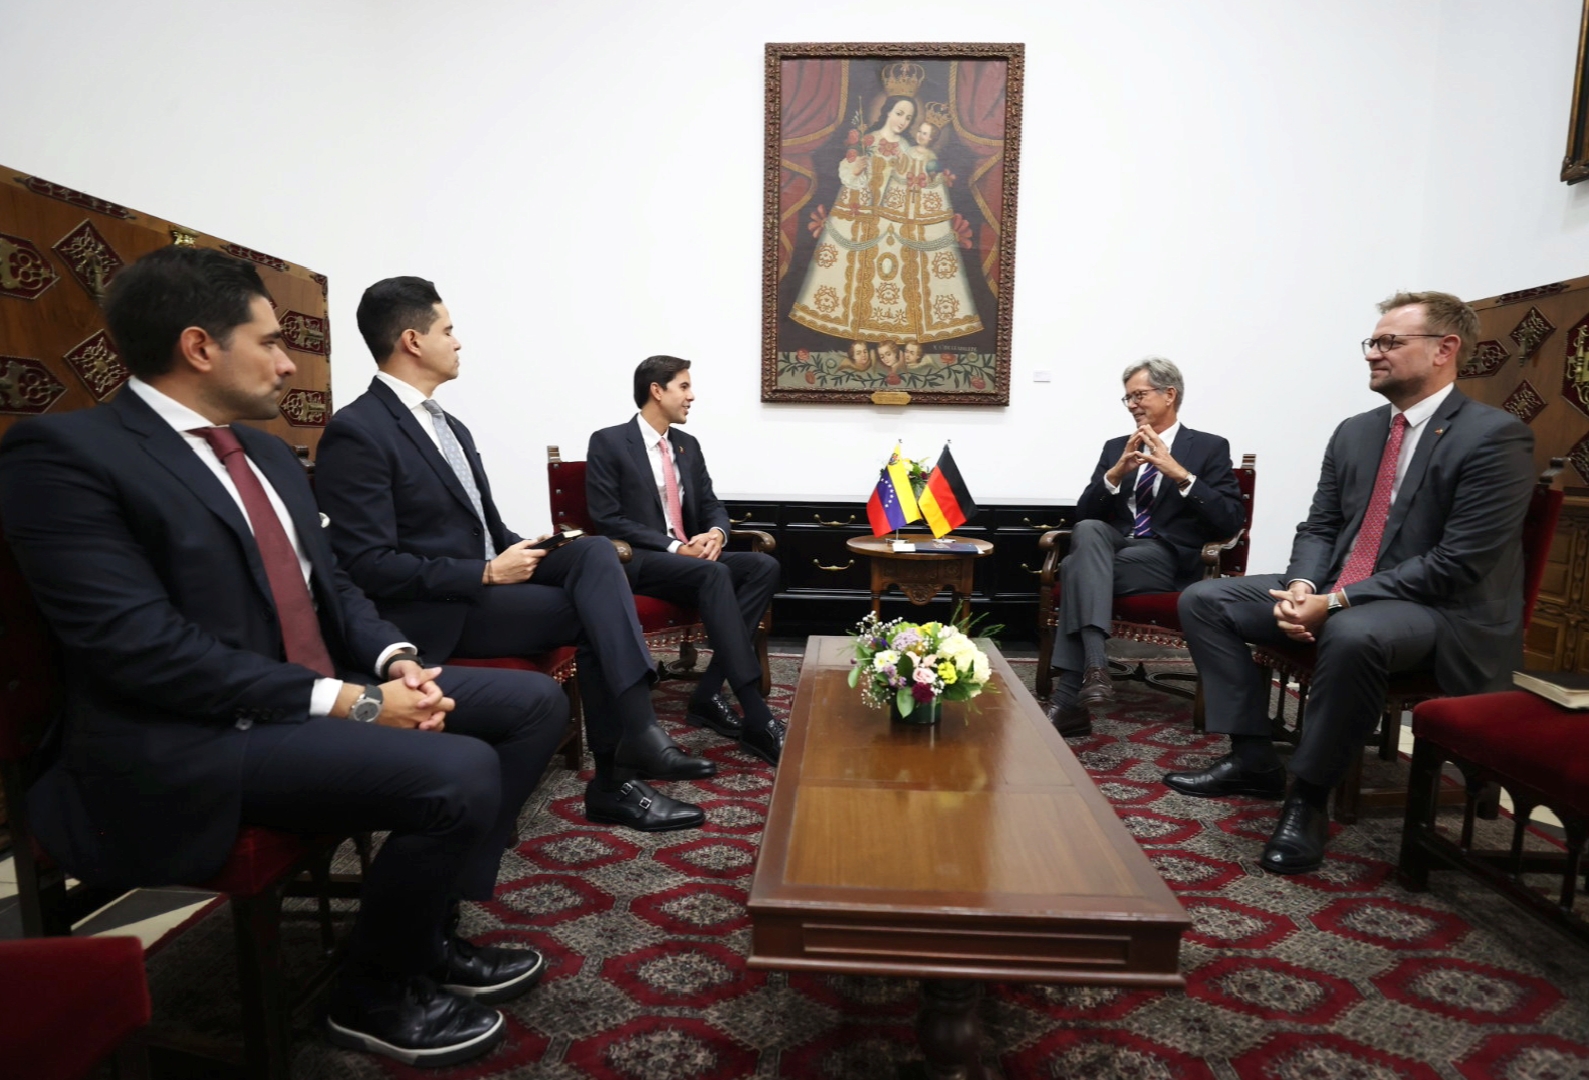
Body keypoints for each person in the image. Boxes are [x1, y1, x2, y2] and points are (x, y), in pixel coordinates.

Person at [0, 247, 560, 1068]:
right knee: (459, 770)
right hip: (188, 733)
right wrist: (354, 703)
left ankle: (424, 930)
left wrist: (394, 660)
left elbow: (334, 582)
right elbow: (140, 648)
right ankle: (373, 993)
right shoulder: (65, 456)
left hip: (303, 695)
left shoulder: (263, 454)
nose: (289, 362)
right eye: (269, 341)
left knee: (534, 706)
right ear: (200, 347)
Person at [314, 277, 711, 836]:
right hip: (436, 611)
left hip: (483, 589)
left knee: (593, 550)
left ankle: (632, 753)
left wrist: (534, 547)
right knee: (597, 614)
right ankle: (620, 772)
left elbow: (487, 529)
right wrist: (483, 572)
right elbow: (366, 565)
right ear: (412, 340)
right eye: (448, 330)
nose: (458, 341)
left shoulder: (449, 425)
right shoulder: (358, 430)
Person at [1166, 292, 1535, 875]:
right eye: (1372, 342)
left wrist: (1335, 602)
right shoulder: (1355, 432)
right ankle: (1253, 757)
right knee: (1206, 599)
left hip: (1441, 609)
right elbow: (1321, 525)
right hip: (1344, 586)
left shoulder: (1495, 436)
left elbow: (1459, 561)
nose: (1372, 354)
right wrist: (1303, 586)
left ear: (1444, 349)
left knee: (1352, 632)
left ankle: (1309, 798)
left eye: (1389, 342)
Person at [586, 356, 785, 764]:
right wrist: (674, 547)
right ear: (656, 391)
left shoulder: (687, 445)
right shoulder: (608, 442)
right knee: (713, 574)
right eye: (684, 386)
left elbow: (711, 504)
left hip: (691, 561)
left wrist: (716, 534)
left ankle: (708, 692)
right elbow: (608, 519)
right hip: (637, 560)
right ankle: (757, 715)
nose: (691, 396)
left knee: (763, 566)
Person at [1047, 358, 1245, 736]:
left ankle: (1071, 694)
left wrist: (1181, 475)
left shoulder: (1208, 447)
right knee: (1089, 529)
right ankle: (1095, 667)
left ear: (1169, 394)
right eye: (1128, 398)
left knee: (1073, 569)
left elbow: (1229, 520)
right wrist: (1114, 475)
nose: (1133, 405)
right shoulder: (1116, 448)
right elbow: (1084, 515)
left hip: (1166, 555)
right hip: (1117, 547)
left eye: (1139, 395)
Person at [788, 95, 981, 352]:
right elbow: (849, 174)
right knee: (852, 279)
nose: (903, 121)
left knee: (893, 282)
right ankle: (855, 339)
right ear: (887, 111)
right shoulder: (867, 141)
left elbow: (916, 180)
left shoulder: (907, 147)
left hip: (894, 224)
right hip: (861, 216)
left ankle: (891, 338)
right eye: (899, 113)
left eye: (909, 117)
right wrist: (856, 169)